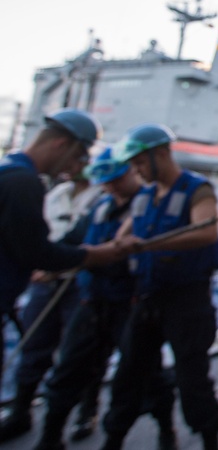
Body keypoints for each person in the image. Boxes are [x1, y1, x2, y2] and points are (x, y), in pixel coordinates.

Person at [32, 148, 177, 450]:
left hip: (131, 305)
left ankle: (164, 431)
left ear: (132, 172)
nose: (111, 187)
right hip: (93, 303)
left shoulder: (151, 207)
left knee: (146, 375)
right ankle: (50, 436)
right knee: (68, 368)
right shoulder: (99, 209)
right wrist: (49, 262)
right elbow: (72, 241)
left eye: (117, 179)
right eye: (106, 182)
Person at [101, 123, 218, 450]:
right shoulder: (143, 196)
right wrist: (122, 243)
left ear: (162, 154)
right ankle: (117, 437)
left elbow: (207, 232)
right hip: (147, 298)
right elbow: (123, 237)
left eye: (140, 162)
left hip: (186, 301)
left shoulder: (198, 189)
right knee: (129, 373)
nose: (136, 170)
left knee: (191, 376)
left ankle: (209, 439)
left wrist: (150, 245)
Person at [0, 109, 123, 428]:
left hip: (55, 290)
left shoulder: (8, 172)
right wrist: (92, 255)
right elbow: (38, 251)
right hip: (36, 286)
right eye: (78, 156)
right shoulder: (25, 183)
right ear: (60, 145)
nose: (77, 167)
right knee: (40, 350)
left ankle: (80, 408)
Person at [0, 154, 102, 443]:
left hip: (77, 282)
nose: (69, 166)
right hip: (45, 282)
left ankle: (85, 412)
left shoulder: (102, 198)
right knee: (33, 348)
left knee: (77, 353)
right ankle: (20, 411)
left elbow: (86, 239)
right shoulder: (56, 194)